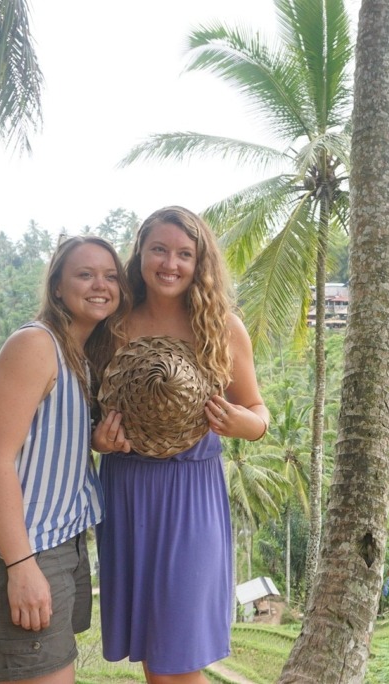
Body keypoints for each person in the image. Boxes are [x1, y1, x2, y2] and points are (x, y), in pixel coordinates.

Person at [95, 206, 269, 684]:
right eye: (159, 250)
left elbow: (258, 412)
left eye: (184, 254)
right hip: (127, 491)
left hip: (193, 496)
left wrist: (241, 424)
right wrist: (97, 438)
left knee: (180, 651)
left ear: (199, 263)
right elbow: (88, 413)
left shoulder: (222, 328)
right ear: (141, 255)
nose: (170, 263)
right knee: (156, 654)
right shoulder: (112, 324)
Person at [0, 236, 131, 683]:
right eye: (85, 274)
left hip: (62, 544)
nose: (101, 285)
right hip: (20, 551)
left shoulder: (79, 359)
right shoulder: (36, 345)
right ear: (57, 287)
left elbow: (49, 439)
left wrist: (99, 442)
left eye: (111, 276)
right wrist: (20, 566)